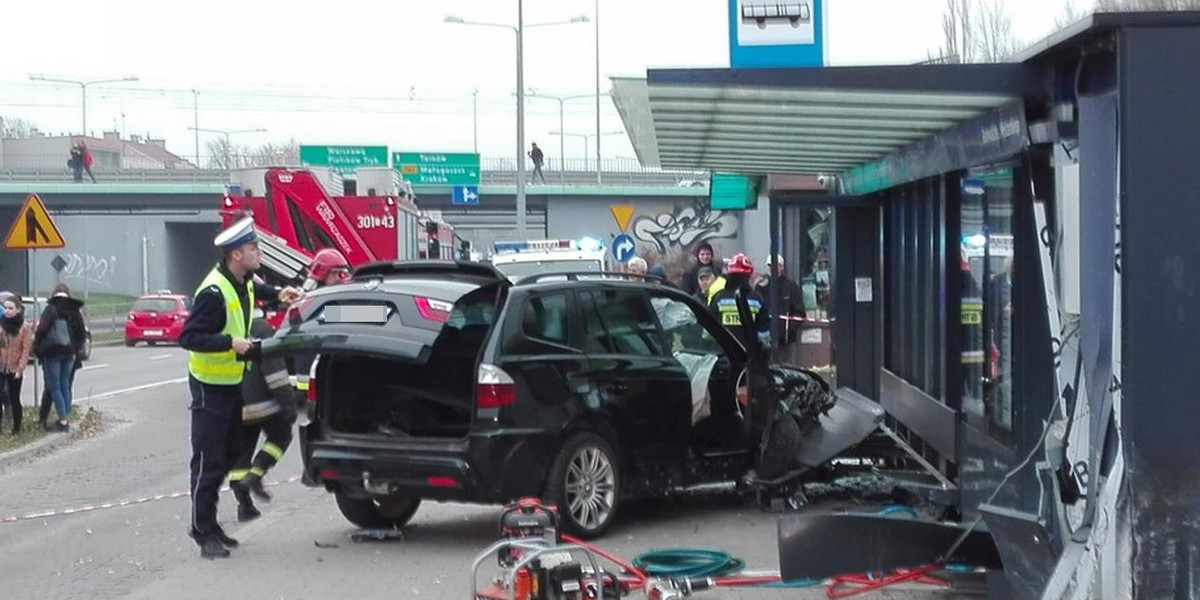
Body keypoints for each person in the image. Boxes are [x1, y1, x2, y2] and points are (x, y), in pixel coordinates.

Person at [179, 217, 300, 559]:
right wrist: (229, 343)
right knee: (208, 460)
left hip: (231, 384)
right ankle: (203, 531)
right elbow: (188, 337)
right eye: (253, 248)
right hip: (209, 387)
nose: (258, 253)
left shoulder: (243, 279)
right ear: (236, 254)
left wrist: (279, 293)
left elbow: (257, 291)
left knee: (231, 454)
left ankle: (213, 526)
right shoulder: (214, 293)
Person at [228, 317, 297, 522]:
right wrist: (288, 404)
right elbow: (274, 370)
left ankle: (244, 506)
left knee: (240, 455)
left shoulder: (225, 327)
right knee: (281, 436)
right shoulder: (260, 328)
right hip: (261, 404)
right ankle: (256, 475)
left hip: (232, 405)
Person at [32, 284, 86, 431]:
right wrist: (75, 348)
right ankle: (65, 417)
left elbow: (42, 329)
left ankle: (63, 421)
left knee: (54, 387)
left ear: (54, 294)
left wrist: (37, 348)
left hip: (53, 352)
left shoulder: (51, 308)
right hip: (70, 353)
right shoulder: (75, 310)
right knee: (65, 385)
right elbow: (82, 334)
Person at [708, 254, 769, 355]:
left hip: (724, 355)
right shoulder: (757, 299)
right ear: (749, 275)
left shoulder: (719, 298)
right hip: (749, 357)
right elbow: (763, 336)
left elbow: (708, 332)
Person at [0, 293, 33, 435]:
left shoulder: (24, 327)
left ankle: (16, 429)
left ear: (18, 310)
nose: (7, 311)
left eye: (10, 308)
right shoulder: (1, 324)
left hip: (15, 367)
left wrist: (20, 368)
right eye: (5, 308)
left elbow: (26, 349)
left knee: (14, 398)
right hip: (1, 365)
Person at [756, 255, 805, 345]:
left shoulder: (791, 287)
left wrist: (789, 331)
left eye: (776, 265)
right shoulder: (761, 287)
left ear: (782, 267)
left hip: (786, 341)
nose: (773, 268)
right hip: (764, 341)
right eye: (770, 266)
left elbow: (800, 312)